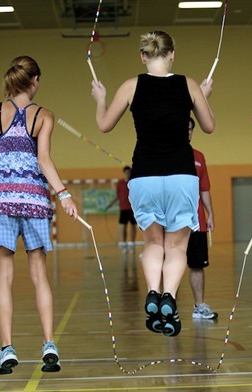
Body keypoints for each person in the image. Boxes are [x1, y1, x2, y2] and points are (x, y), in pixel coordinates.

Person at [0, 56, 78, 374]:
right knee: (39, 276)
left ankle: (7, 348)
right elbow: (45, 160)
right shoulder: (44, 116)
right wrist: (63, 195)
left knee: (3, 278)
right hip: (34, 202)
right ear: (34, 80)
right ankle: (49, 344)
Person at [91, 31, 215, 337]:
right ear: (173, 54)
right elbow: (208, 126)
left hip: (144, 176)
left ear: (143, 56)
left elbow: (104, 125)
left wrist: (101, 99)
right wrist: (202, 96)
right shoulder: (188, 84)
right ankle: (169, 296)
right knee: (176, 246)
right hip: (182, 176)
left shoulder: (131, 86)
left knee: (152, 243)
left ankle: (152, 291)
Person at [187, 118, 218, 320]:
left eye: (190, 129)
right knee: (167, 263)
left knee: (197, 264)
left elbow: (204, 188)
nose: (187, 132)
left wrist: (210, 213)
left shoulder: (199, 157)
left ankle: (199, 307)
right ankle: (167, 306)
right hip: (170, 221)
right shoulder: (165, 154)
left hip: (196, 220)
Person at [105, 166, 137, 253]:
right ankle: (124, 244)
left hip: (132, 208)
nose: (127, 174)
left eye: (129, 172)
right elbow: (118, 195)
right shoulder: (120, 183)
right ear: (124, 173)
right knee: (123, 227)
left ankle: (132, 244)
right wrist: (110, 204)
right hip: (123, 208)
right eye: (126, 172)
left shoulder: (133, 182)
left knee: (133, 226)